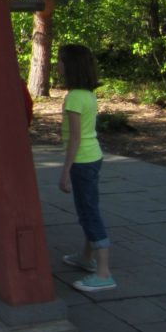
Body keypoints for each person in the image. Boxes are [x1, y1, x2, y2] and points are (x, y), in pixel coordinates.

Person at [56, 43, 116, 292]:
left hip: (82, 161)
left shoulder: (73, 98)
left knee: (88, 213)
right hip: (94, 157)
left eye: (59, 61)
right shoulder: (87, 95)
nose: (56, 66)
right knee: (89, 207)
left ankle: (103, 273)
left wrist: (65, 171)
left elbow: (75, 139)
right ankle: (86, 258)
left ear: (69, 67)